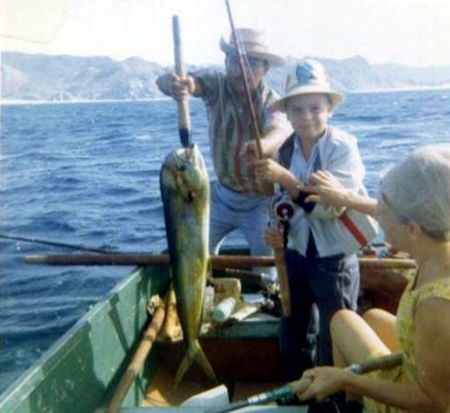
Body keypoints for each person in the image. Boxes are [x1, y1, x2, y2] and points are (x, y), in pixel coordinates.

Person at [294, 144, 450, 412]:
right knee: (366, 318)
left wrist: (347, 380)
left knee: (346, 328)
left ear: (413, 229)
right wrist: (344, 198)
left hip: (420, 405)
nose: (377, 216)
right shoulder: (437, 239)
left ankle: (351, 404)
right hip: (427, 366)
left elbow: (437, 402)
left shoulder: (434, 304)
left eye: (384, 213)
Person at [255, 59, 372, 379]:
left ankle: (335, 401)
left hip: (333, 258)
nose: (306, 116)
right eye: (297, 109)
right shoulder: (286, 149)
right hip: (295, 253)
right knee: (292, 327)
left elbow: (328, 207)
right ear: (287, 114)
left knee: (336, 332)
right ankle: (298, 387)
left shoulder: (342, 147)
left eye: (315, 108)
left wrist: (286, 178)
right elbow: (282, 203)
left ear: (330, 109)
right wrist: (276, 229)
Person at [156, 28, 291, 275]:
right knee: (190, 254)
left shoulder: (271, 100)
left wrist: (263, 146)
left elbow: (280, 129)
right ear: (226, 62)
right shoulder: (216, 84)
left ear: (265, 69)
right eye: (235, 61)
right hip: (220, 196)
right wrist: (177, 85)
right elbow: (177, 82)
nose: (241, 69)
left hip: (261, 202)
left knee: (269, 269)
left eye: (251, 63)